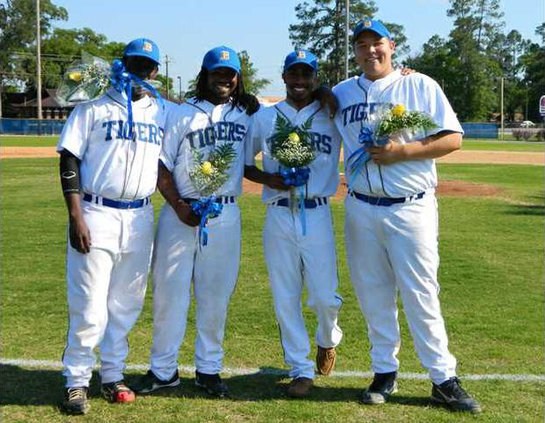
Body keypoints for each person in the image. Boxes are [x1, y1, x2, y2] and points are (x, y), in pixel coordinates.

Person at [332, 18, 481, 414]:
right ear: (356, 51)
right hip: (361, 206)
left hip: (410, 205)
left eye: (376, 43)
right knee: (372, 293)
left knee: (421, 293)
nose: (370, 51)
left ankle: (442, 378)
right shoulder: (342, 93)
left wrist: (404, 152)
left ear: (392, 45)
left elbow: (453, 138)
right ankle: (384, 371)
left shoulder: (420, 84)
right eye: (362, 45)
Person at [131, 46, 258, 398]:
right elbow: (161, 164)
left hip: (225, 213)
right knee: (169, 295)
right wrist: (177, 204)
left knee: (215, 296)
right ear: (204, 74)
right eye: (217, 71)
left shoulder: (248, 113)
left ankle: (209, 369)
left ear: (238, 77)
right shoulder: (181, 113)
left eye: (230, 72)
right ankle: (163, 370)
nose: (224, 78)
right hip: (180, 214)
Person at [57, 38, 167, 415]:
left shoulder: (160, 111)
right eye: (134, 64)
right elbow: (69, 157)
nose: (141, 72)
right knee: (89, 305)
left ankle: (112, 374)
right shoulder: (94, 105)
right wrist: (76, 217)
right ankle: (76, 380)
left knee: (126, 304)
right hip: (96, 211)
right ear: (122, 65)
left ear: (155, 71)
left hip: (140, 216)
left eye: (147, 66)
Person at [244, 50, 343, 398]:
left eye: (307, 75)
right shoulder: (266, 118)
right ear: (284, 76)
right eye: (294, 74)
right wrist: (269, 179)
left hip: (317, 212)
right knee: (285, 294)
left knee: (325, 297)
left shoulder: (332, 112)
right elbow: (246, 164)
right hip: (279, 212)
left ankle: (328, 338)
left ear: (315, 78)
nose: (300, 81)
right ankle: (300, 369)